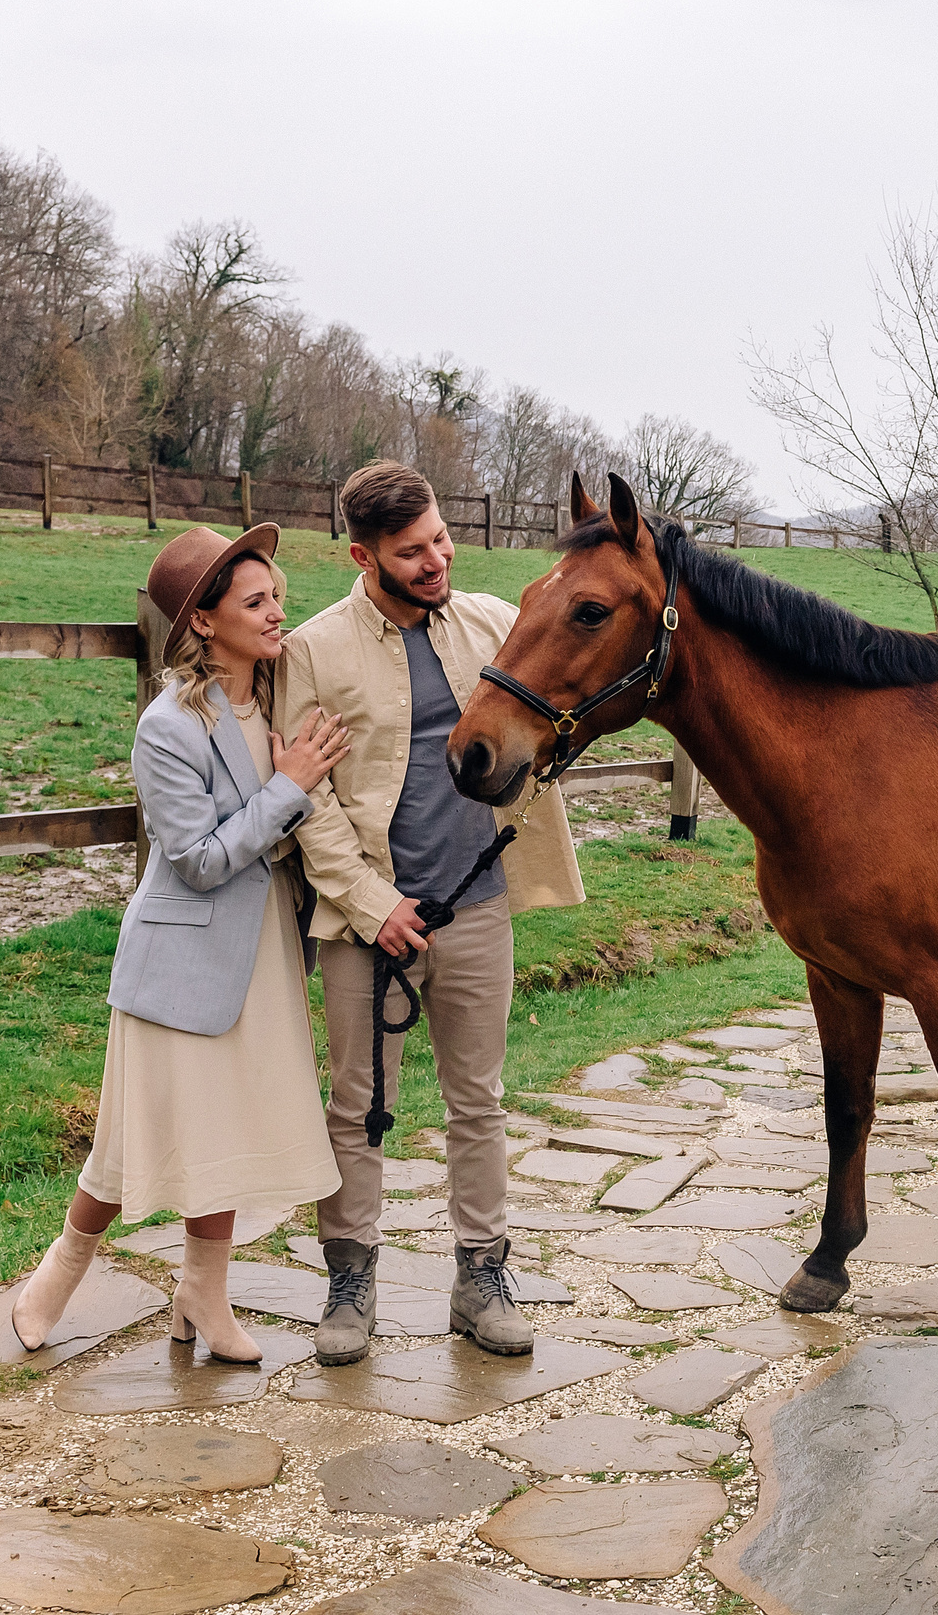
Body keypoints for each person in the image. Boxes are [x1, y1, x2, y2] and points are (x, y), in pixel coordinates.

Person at [8, 524, 351, 1359]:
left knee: (223, 1128)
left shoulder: (273, 702)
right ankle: (59, 1269)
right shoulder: (167, 727)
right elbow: (197, 860)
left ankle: (203, 1293)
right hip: (182, 954)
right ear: (203, 621)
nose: (278, 614)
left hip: (264, 946)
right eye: (256, 601)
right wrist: (289, 789)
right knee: (133, 1134)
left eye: (278, 596)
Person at [278, 461, 584, 1363]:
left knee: (478, 1101)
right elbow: (309, 800)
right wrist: (374, 907)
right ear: (361, 555)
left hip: (481, 905)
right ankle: (351, 1282)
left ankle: (481, 1277)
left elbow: (552, 712)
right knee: (356, 1106)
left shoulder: (492, 622)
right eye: (412, 551)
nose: (436, 559)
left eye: (441, 539)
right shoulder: (313, 652)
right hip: (365, 922)